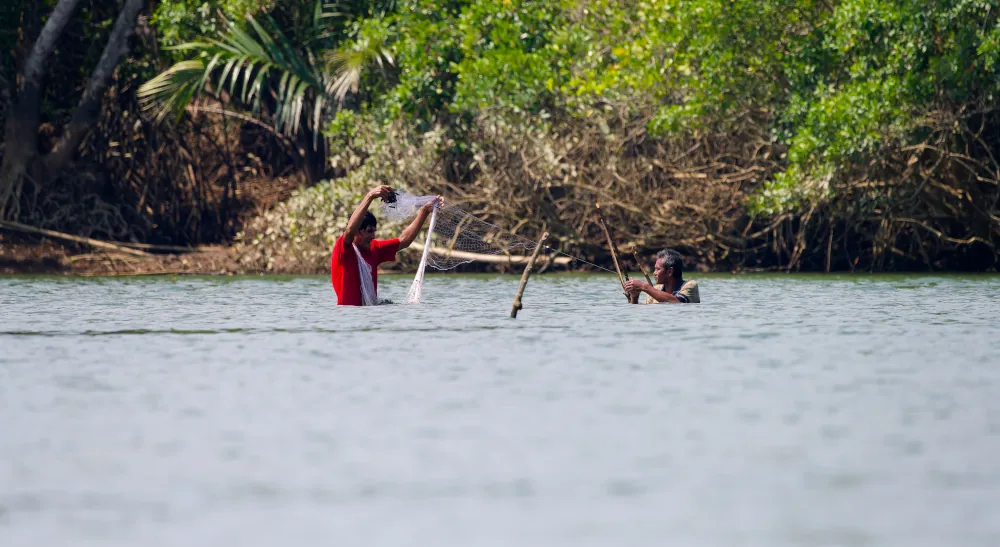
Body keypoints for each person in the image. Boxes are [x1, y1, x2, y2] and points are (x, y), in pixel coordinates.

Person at [331, 185, 439, 305]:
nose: (373, 236)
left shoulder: (374, 249)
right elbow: (350, 229)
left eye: (374, 231)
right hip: (348, 317)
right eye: (369, 231)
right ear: (357, 231)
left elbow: (404, 240)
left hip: (370, 314)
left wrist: (424, 211)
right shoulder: (344, 249)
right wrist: (370, 196)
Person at [624, 248, 700, 303]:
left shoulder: (690, 285)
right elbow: (644, 316)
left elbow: (676, 302)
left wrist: (644, 286)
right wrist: (635, 297)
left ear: (669, 272)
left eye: (657, 269)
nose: (654, 273)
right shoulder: (656, 290)